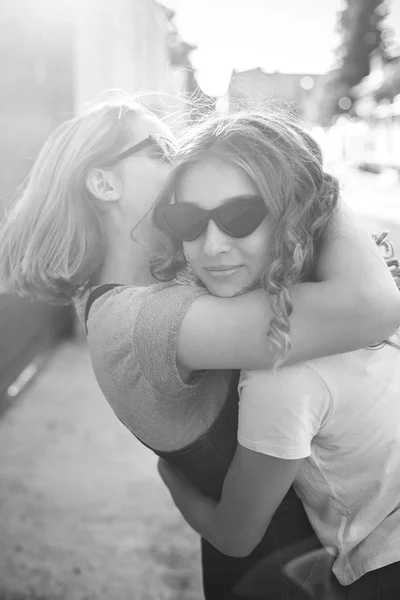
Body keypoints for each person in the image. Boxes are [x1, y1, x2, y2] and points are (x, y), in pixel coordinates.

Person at [0, 97, 399, 599]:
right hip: (277, 575)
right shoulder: (137, 319)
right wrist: (305, 176)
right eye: (162, 150)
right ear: (105, 183)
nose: (184, 157)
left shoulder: (171, 286)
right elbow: (369, 305)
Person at [154, 108, 400, 599]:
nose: (212, 244)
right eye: (187, 220)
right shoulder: (357, 291)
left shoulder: (280, 368)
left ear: (296, 213)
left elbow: (235, 535)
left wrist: (170, 474)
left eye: (240, 215)